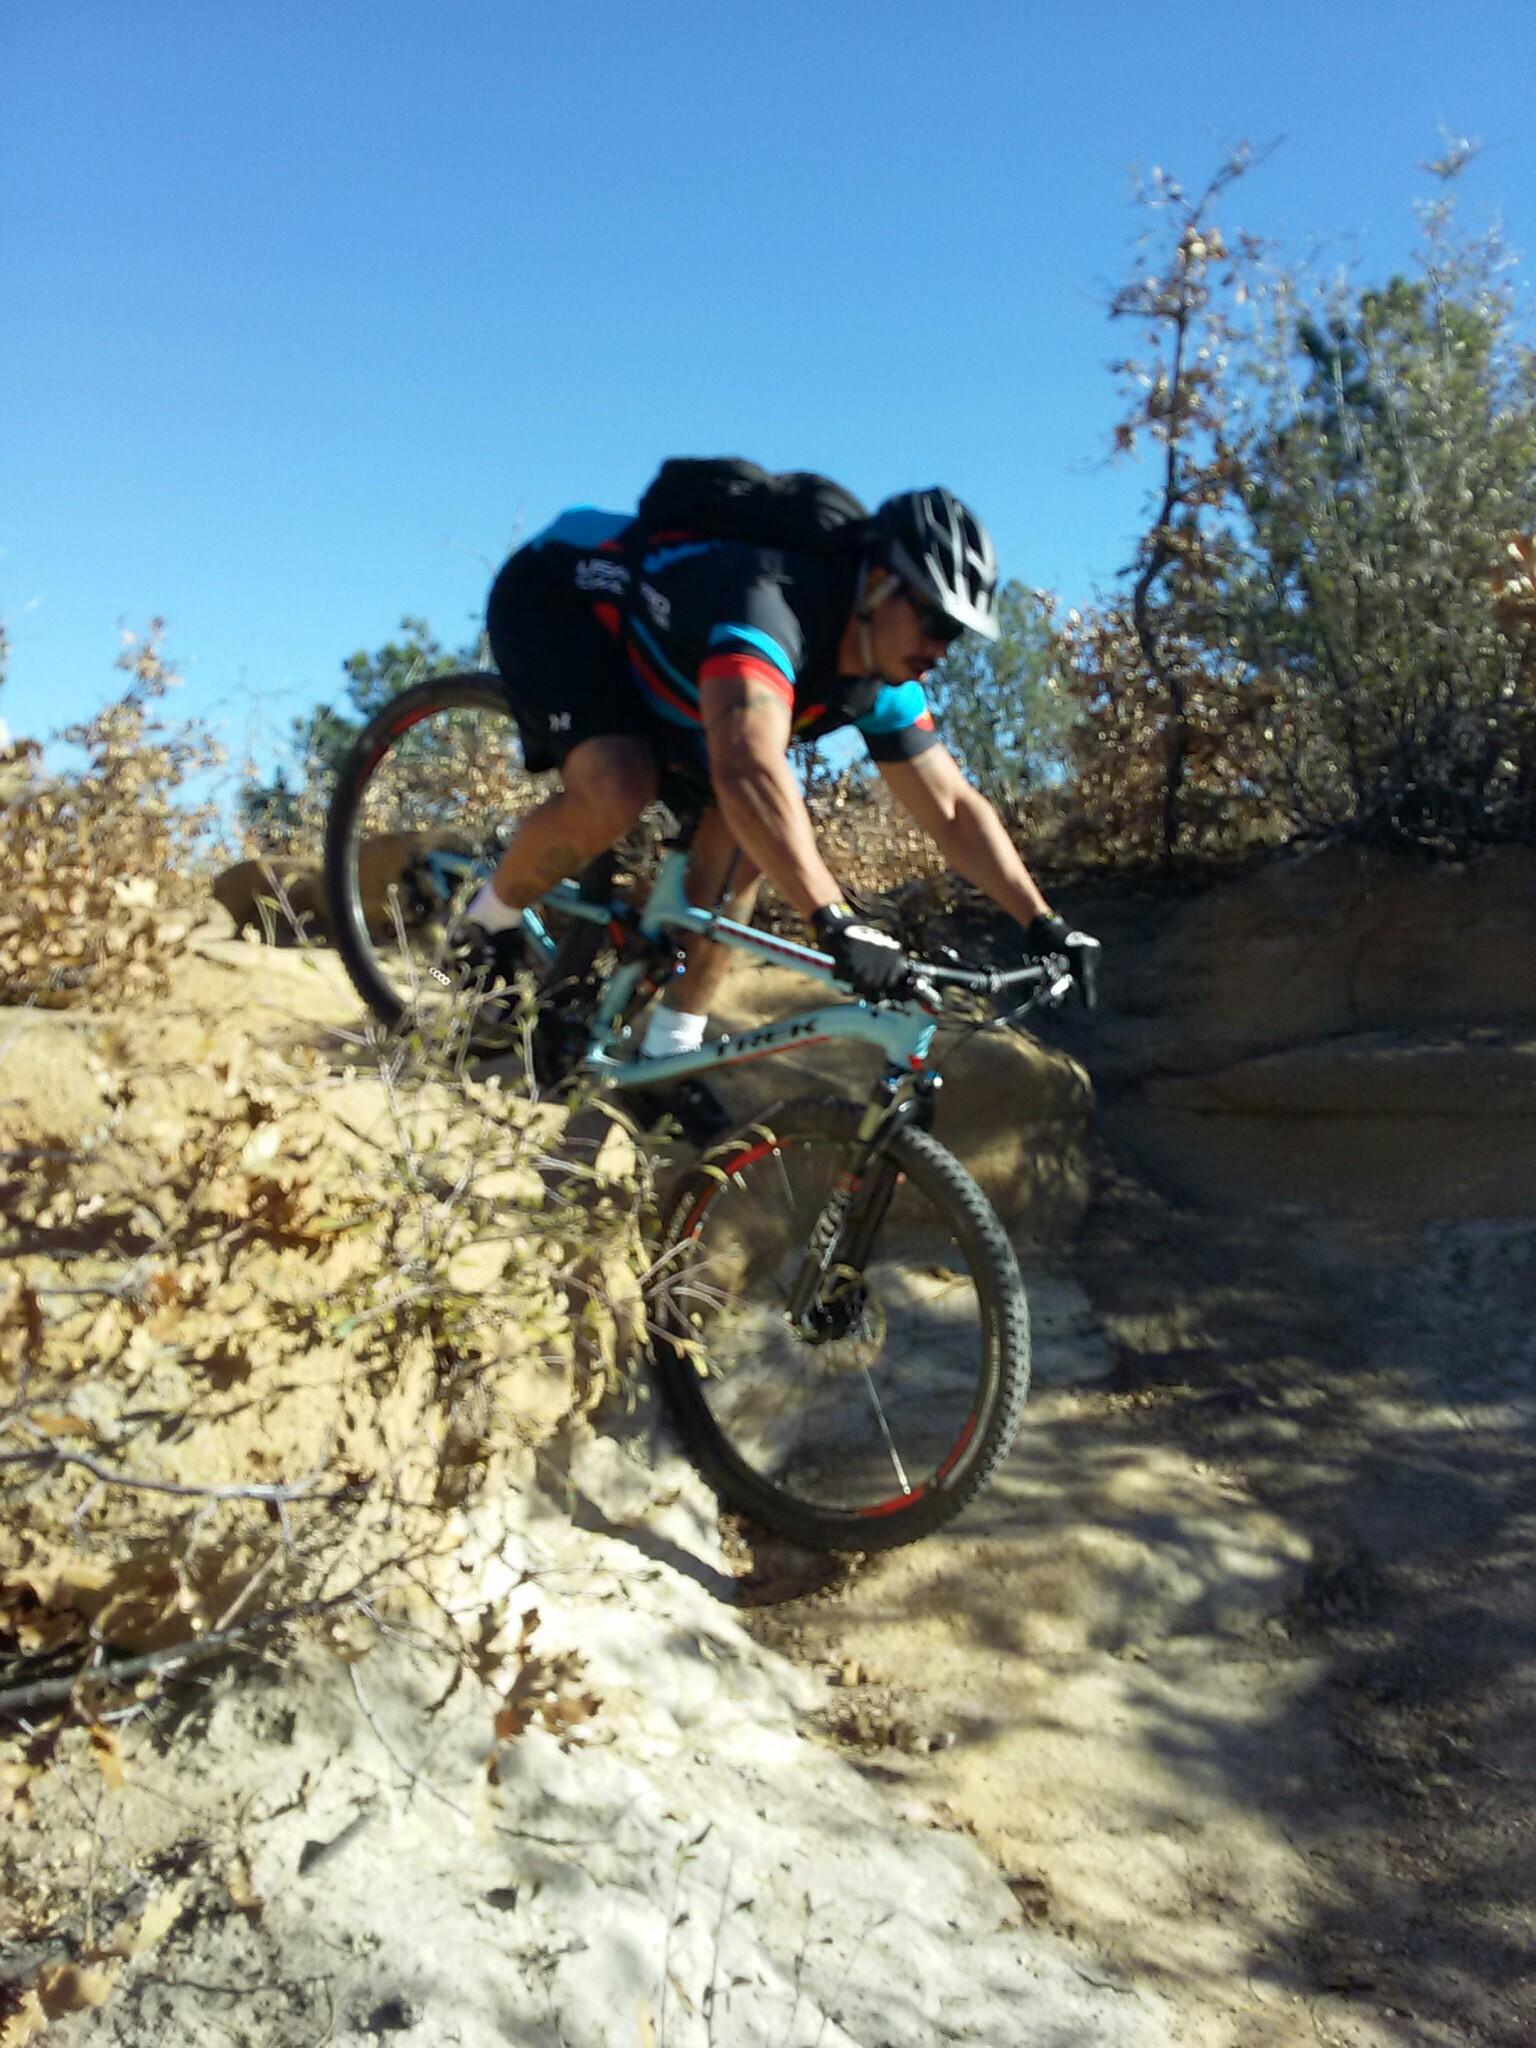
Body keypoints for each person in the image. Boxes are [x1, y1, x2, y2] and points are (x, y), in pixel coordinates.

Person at [463, 476, 1098, 1140]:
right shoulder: (771, 607)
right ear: (878, 583)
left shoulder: (882, 672)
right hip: (564, 599)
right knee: (620, 782)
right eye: (936, 621)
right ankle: (485, 923)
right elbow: (748, 771)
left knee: (739, 845)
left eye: (958, 635)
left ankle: (668, 1052)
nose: (941, 650)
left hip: (678, 661)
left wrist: (1045, 923)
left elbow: (952, 809)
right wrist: (835, 920)